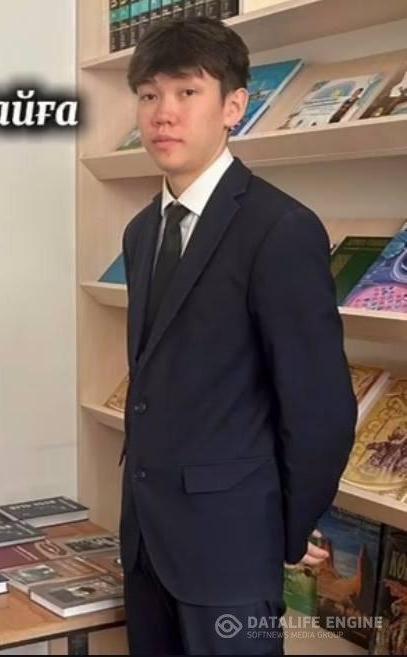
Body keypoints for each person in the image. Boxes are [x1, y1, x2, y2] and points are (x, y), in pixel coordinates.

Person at [117, 17, 357, 654]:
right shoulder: (141, 232)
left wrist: (283, 531)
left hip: (231, 551)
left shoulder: (280, 229)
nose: (163, 113)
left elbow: (321, 408)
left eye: (186, 92)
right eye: (148, 95)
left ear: (233, 107)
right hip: (146, 545)